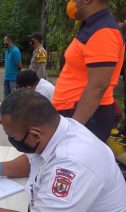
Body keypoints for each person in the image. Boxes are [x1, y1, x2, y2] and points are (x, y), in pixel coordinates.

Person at [52, 0, 125, 143]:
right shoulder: (93, 27)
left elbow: (97, 86)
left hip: (87, 116)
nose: (71, 2)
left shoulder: (103, 31)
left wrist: (73, 128)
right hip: (78, 113)